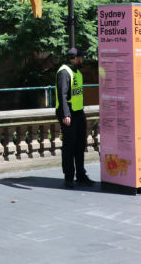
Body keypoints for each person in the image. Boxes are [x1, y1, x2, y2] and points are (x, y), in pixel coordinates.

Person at [55, 47, 94, 188]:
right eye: (81, 57)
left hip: (78, 112)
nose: (83, 60)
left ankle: (81, 175)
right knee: (69, 146)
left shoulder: (77, 72)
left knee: (80, 144)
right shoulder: (64, 72)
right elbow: (62, 95)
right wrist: (66, 114)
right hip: (68, 113)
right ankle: (69, 177)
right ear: (75, 58)